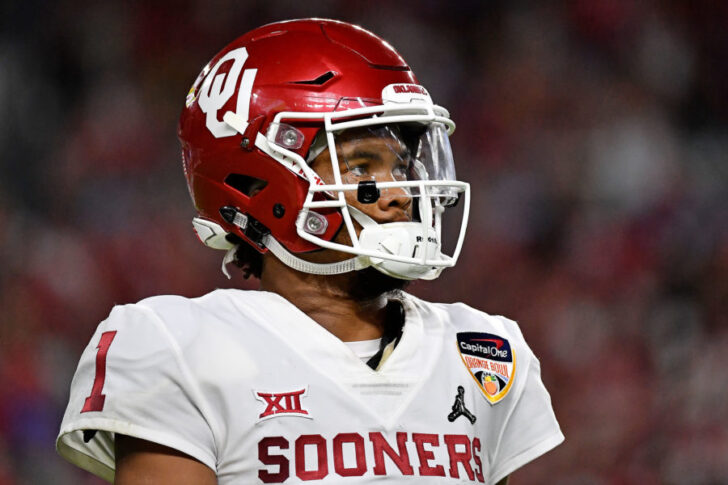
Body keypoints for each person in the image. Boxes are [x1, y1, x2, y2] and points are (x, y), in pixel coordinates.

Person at [56, 18, 563, 484]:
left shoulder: (483, 350)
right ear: (261, 182)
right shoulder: (176, 345)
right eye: (361, 166)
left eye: (403, 165)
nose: (400, 192)